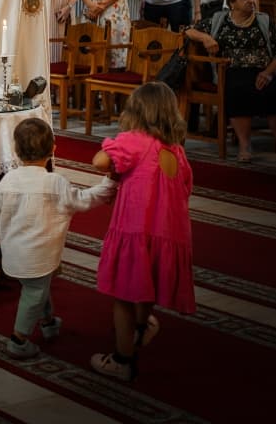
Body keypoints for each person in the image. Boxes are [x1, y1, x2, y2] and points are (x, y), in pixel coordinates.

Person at [0, 118, 114, 359]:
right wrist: (109, 185)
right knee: (34, 292)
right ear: (54, 148)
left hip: (14, 254)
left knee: (37, 287)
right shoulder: (55, 182)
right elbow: (82, 200)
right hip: (39, 255)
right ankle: (18, 340)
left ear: (16, 150)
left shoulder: (9, 179)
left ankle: (49, 322)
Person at [90, 82, 194, 382]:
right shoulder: (176, 150)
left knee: (123, 294)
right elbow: (186, 189)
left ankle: (122, 360)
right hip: (169, 233)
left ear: (135, 112)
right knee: (145, 284)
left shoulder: (134, 140)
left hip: (137, 229)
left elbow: (100, 162)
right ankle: (140, 326)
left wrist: (112, 158)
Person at [182, 0, 276, 165]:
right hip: (232, 71)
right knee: (238, 88)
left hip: (265, 70)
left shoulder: (265, 21)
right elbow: (188, 31)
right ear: (232, 2)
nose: (251, 0)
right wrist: (206, 37)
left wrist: (268, 73)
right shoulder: (219, 20)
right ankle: (244, 145)